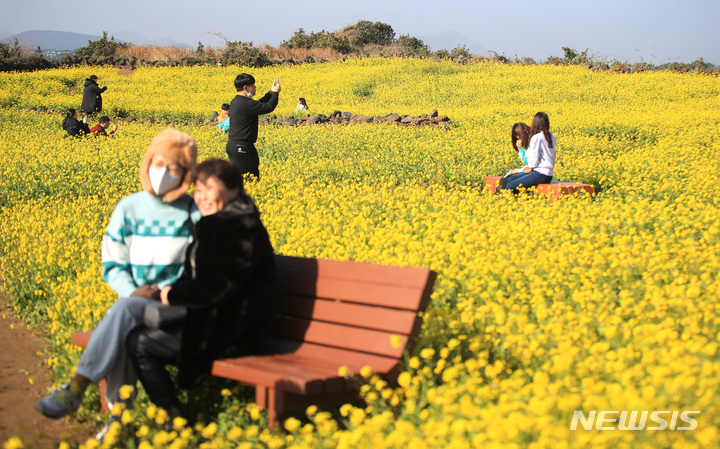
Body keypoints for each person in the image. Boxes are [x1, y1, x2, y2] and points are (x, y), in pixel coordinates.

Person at [35, 129, 202, 440]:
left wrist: (170, 292)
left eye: (174, 169)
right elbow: (113, 262)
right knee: (127, 320)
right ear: (148, 162)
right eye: (158, 163)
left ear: (186, 174)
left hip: (175, 307)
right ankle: (117, 418)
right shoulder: (129, 208)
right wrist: (132, 292)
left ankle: (80, 391)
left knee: (124, 315)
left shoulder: (194, 212)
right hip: (135, 304)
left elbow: (206, 267)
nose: (162, 173)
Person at [127, 158, 275, 416]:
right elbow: (194, 276)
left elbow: (220, 286)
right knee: (131, 323)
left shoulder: (242, 227)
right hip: (213, 319)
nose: (202, 196)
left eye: (209, 188)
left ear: (234, 190)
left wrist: (173, 296)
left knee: (139, 342)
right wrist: (165, 291)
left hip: (235, 329)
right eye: (198, 189)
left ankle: (175, 418)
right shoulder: (215, 223)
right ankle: (131, 410)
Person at [227, 73, 281, 180]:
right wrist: (275, 93)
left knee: (246, 179)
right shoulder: (246, 104)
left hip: (236, 145)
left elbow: (258, 105)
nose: (255, 88)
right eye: (253, 85)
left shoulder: (236, 101)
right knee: (248, 180)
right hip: (241, 147)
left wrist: (270, 93)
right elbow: (268, 107)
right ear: (246, 87)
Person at [501, 112, 556, 193]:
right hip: (547, 174)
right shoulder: (551, 135)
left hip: (540, 173)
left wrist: (530, 167)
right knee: (511, 179)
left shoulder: (537, 137)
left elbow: (534, 157)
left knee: (511, 185)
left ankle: (508, 202)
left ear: (535, 123)